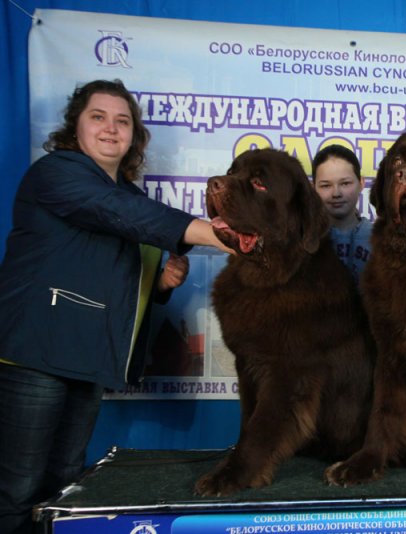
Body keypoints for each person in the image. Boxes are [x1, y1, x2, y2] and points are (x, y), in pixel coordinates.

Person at [0, 79, 232, 534]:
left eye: (122, 120)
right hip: (35, 355)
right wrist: (214, 233)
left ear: (134, 136)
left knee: (65, 484)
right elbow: (120, 216)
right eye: (98, 117)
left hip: (85, 359)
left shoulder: (131, 197)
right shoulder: (56, 172)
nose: (111, 128)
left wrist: (160, 284)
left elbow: (115, 266)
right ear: (75, 127)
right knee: (18, 488)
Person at [311, 144, 372, 285]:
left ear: (361, 183)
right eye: (326, 185)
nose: (336, 193)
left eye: (345, 183)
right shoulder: (303, 240)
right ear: (312, 187)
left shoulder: (378, 239)